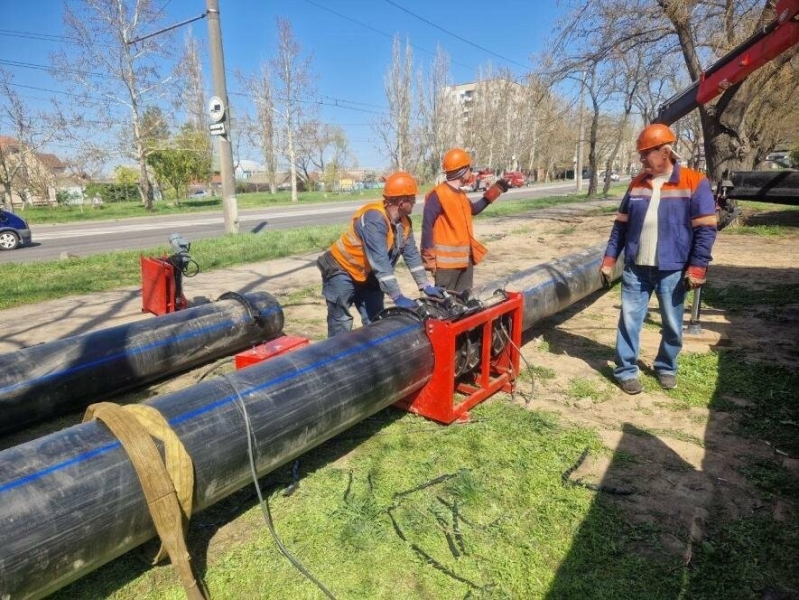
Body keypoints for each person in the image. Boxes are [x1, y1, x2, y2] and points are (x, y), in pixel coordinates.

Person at [600, 123, 718, 394]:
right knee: (629, 320)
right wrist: (609, 259)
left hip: (672, 268)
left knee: (672, 322)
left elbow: (706, 230)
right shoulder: (637, 183)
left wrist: (698, 266)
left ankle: (666, 366)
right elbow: (620, 226)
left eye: (645, 154)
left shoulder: (693, 181)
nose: (641, 159)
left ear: (665, 151)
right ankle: (626, 370)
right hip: (636, 268)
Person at [317, 171, 445, 338]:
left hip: (369, 275)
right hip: (342, 270)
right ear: (401, 202)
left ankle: (375, 358)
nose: (415, 202)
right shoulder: (374, 219)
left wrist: (425, 285)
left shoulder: (404, 223)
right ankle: (335, 359)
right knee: (341, 320)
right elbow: (380, 261)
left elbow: (411, 255)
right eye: (412, 199)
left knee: (376, 320)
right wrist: (396, 295)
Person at [420, 148, 509, 293]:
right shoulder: (437, 195)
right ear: (461, 170)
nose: (471, 172)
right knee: (444, 306)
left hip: (465, 261)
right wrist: (428, 258)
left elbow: (474, 209)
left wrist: (496, 190)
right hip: (446, 265)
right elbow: (427, 226)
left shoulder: (460, 195)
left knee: (464, 303)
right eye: (469, 168)